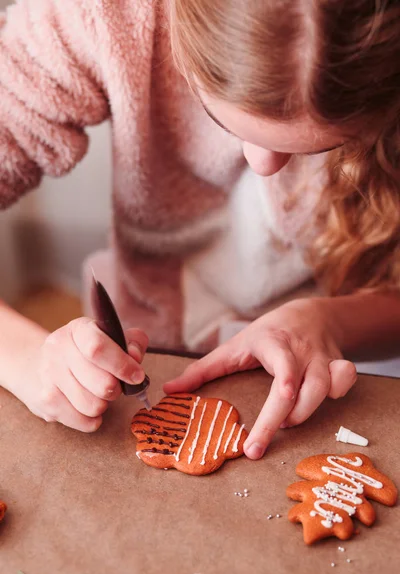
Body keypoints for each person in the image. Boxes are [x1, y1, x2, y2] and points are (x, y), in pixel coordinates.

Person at [1, 0, 400, 460]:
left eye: (329, 147)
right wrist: (20, 354)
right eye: (218, 118)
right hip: (159, 338)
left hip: (351, 364)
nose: (263, 165)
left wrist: (330, 319)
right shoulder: (111, 15)